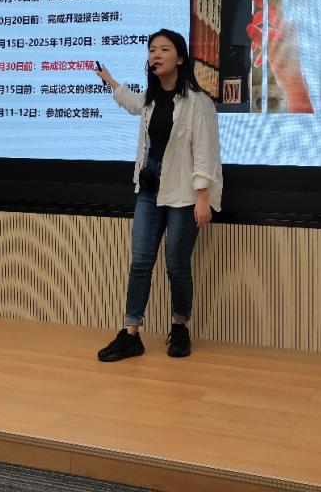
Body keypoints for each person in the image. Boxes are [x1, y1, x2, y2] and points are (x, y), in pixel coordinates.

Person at [93, 29, 223, 361]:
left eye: (164, 49)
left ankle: (179, 327)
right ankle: (130, 334)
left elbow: (205, 152)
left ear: (180, 58)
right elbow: (131, 102)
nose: (156, 55)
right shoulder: (150, 99)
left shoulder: (198, 103)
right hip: (150, 189)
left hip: (185, 192)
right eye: (152, 50)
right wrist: (109, 79)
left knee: (176, 264)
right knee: (140, 261)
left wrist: (203, 198)